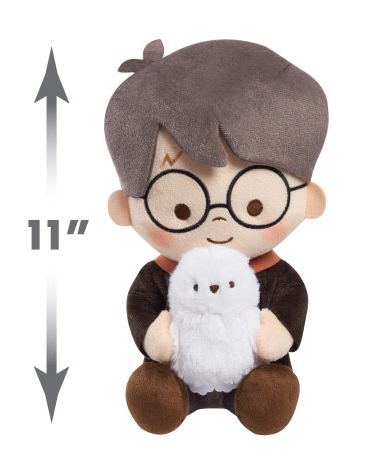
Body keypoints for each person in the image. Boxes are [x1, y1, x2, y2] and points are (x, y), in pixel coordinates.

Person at [104, 39, 328, 434]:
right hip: (177, 375)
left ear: (310, 201)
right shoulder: (159, 276)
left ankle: (260, 394)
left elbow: (291, 301)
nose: (220, 220)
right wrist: (154, 337)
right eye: (182, 208)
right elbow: (141, 306)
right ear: (125, 209)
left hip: (255, 372)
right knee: (154, 392)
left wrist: (279, 334)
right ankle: (168, 396)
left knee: (269, 394)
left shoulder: (275, 275)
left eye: (253, 205)